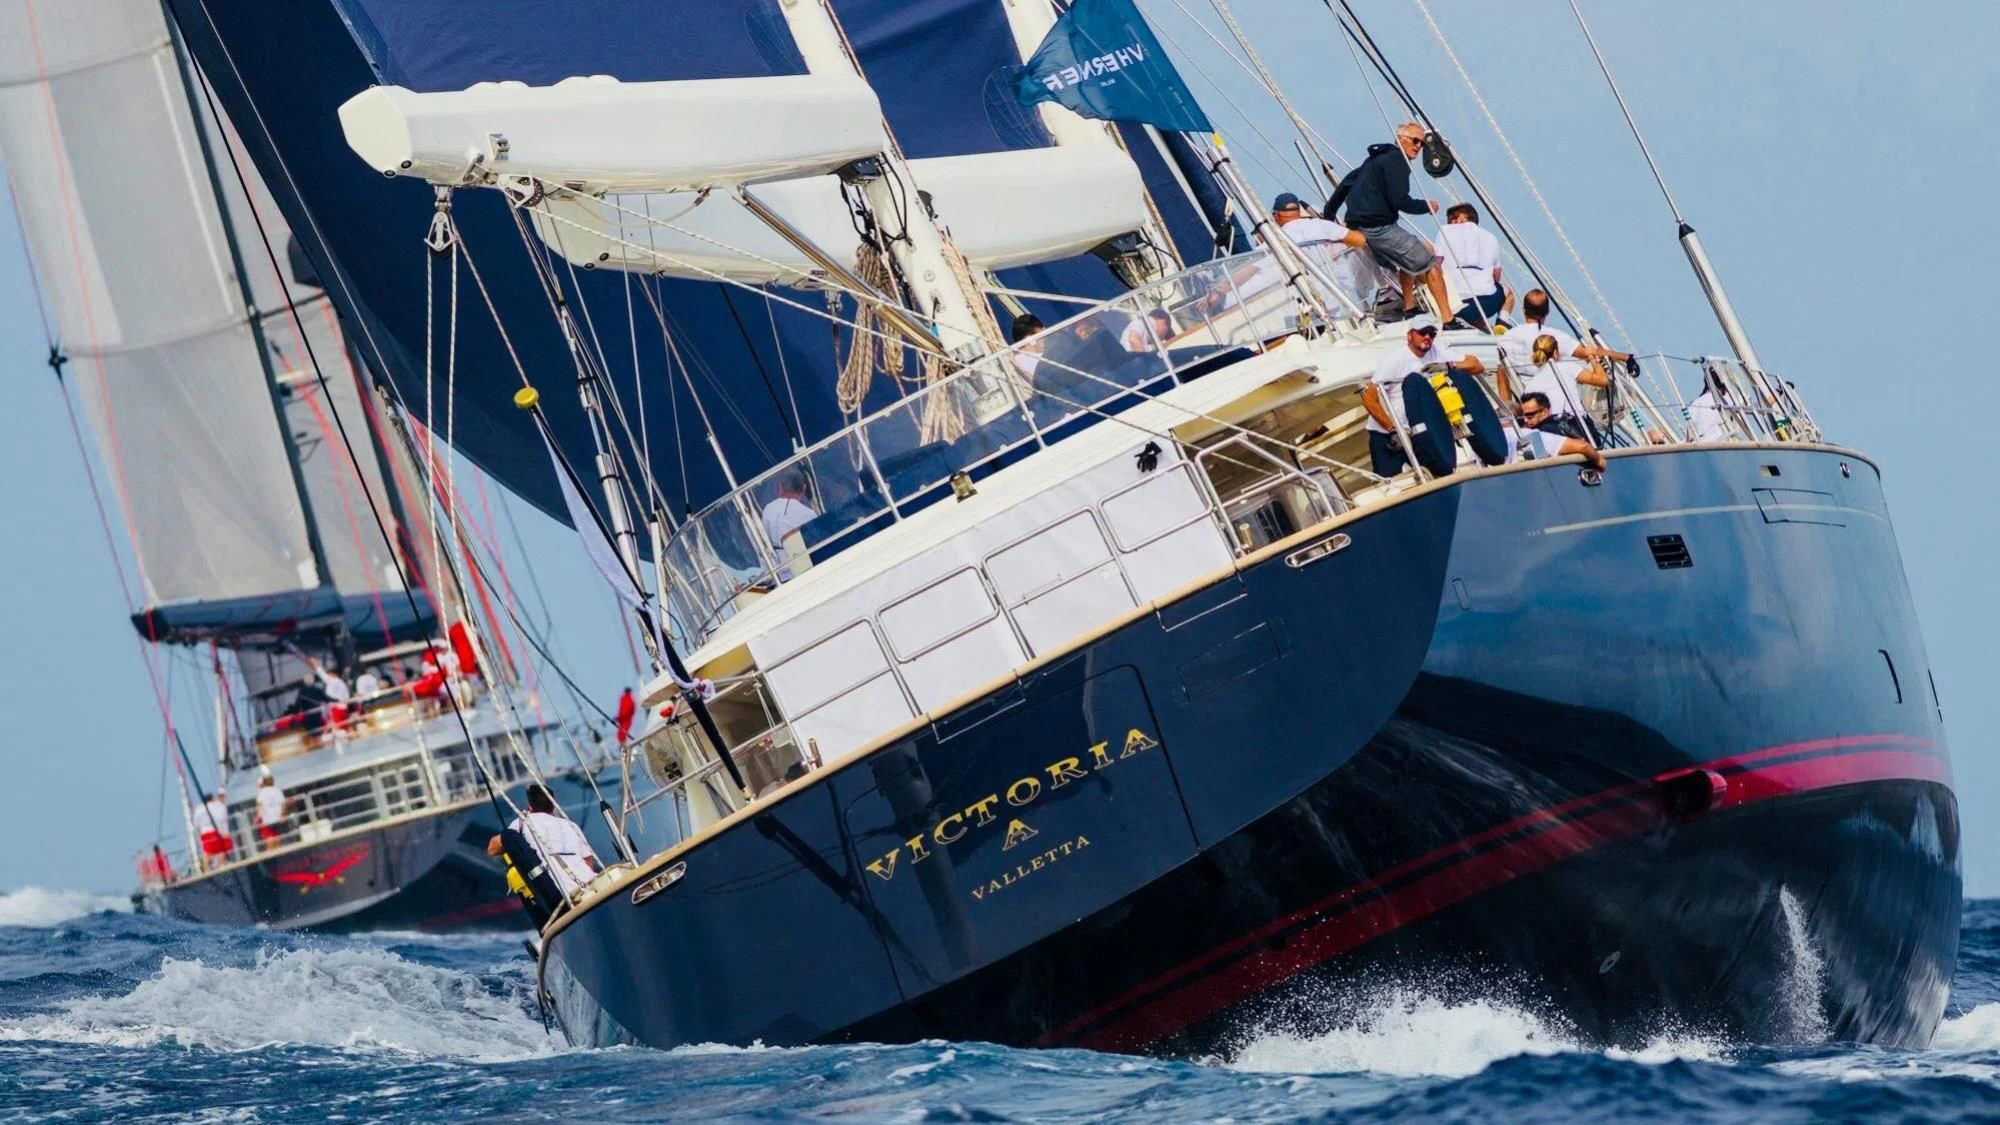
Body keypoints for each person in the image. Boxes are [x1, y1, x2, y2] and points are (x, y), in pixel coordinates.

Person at [1324, 122, 1452, 321]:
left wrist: (1328, 215)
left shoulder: (1375, 160)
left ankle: (1409, 307)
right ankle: (1448, 319)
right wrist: (1427, 206)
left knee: (1406, 258)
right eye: (1415, 141)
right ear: (1400, 139)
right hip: (1379, 228)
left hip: (1360, 228)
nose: (1418, 147)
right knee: (1429, 264)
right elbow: (1399, 201)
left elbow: (1346, 183)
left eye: (1422, 144)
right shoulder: (1397, 160)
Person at [1363, 316, 1485, 476]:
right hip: (1388, 435)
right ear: (1410, 335)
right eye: (1422, 332)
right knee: (1391, 482)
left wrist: (1448, 366)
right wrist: (1393, 430)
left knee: (1437, 473)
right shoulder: (1394, 360)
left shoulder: (1437, 352)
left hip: (1420, 431)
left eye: (1431, 334)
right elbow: (1370, 400)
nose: (1427, 337)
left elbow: (1477, 365)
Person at [1270, 192, 1391, 317]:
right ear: (1299, 212)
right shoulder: (1319, 224)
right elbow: (1359, 240)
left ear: (1277, 215)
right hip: (1341, 292)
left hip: (1311, 301)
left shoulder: (1276, 239)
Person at [486, 784, 601, 897]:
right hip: (591, 883)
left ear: (529, 806)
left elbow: (492, 849)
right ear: (553, 806)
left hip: (561, 892)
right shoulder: (570, 825)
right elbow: (588, 860)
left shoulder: (522, 823)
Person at [1435, 203, 1507, 330]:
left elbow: (1436, 266)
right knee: (1508, 292)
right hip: (1487, 303)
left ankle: (1483, 327)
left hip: (1453, 303)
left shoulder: (1445, 230)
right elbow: (1496, 277)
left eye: (1452, 218)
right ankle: (1501, 325)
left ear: (1462, 217)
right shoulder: (1491, 237)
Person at [1518, 392, 1608, 471]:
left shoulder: (1545, 431)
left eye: (1530, 416)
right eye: (1522, 417)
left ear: (1544, 412)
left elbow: (1583, 446)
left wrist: (1599, 461)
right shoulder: (1562, 421)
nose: (1525, 420)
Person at [759, 471, 818, 581]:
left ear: (780, 487)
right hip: (803, 568)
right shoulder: (809, 513)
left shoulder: (768, 509)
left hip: (775, 571)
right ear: (804, 488)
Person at [253, 773, 289, 851]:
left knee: (271, 839)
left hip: (268, 820)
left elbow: (259, 807)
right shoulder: (277, 790)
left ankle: (272, 854)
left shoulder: (261, 793)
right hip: (278, 819)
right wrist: (282, 815)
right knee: (278, 839)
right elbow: (283, 804)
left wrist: (257, 817)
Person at [197, 791, 232, 869]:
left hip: (203, 832)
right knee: (220, 849)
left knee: (207, 852)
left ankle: (207, 869)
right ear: (211, 799)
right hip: (213, 830)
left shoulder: (198, 809)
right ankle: (221, 866)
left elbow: (196, 823)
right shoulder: (216, 806)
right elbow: (220, 818)